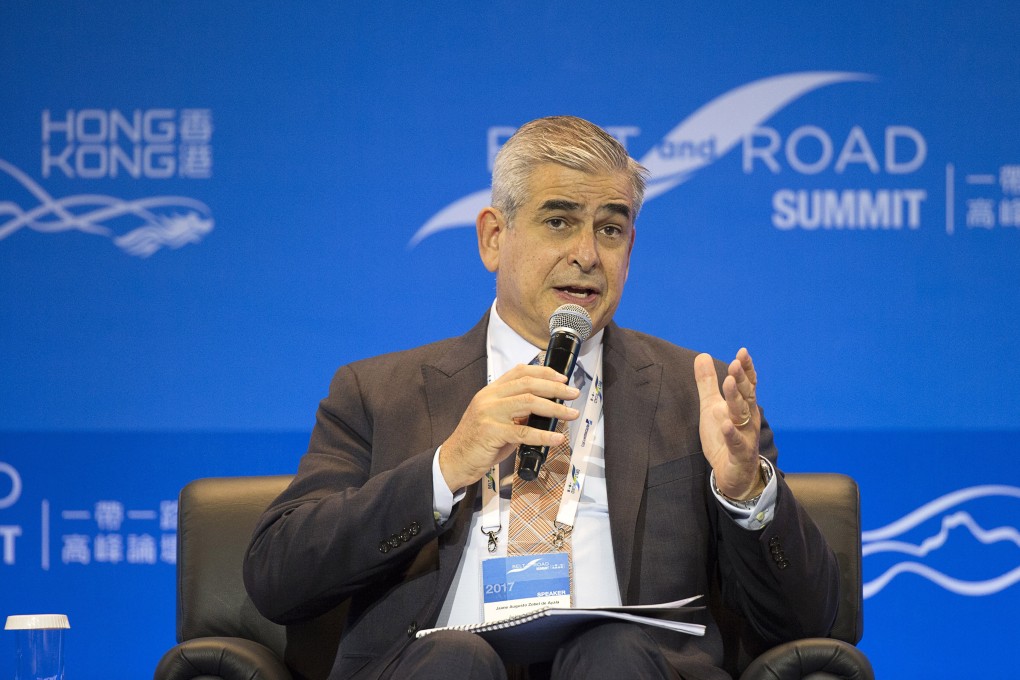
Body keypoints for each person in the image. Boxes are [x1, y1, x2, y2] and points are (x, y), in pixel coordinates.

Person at [243, 116, 839, 680]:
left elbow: (808, 623)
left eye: (610, 228)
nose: (587, 253)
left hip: (628, 669)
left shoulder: (697, 394)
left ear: (631, 246)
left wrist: (746, 493)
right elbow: (278, 578)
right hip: (441, 667)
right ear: (493, 238)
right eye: (559, 221)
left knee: (612, 653)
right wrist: (446, 467)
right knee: (454, 661)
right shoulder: (378, 392)